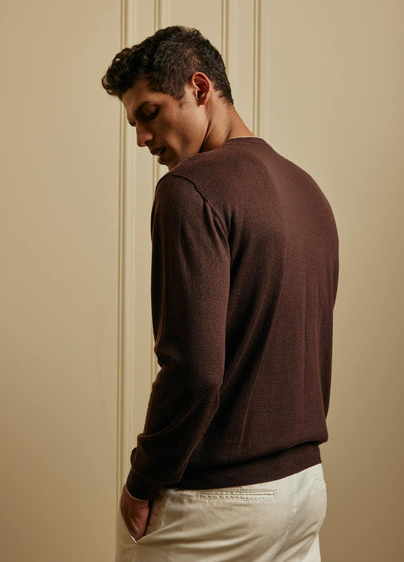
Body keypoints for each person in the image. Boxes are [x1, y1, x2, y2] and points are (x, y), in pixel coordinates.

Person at [102, 25, 339, 562]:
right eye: (134, 122)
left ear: (200, 88)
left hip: (217, 501)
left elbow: (194, 371)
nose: (141, 137)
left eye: (150, 113)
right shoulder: (309, 190)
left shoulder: (188, 189)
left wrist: (142, 480)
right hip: (303, 491)